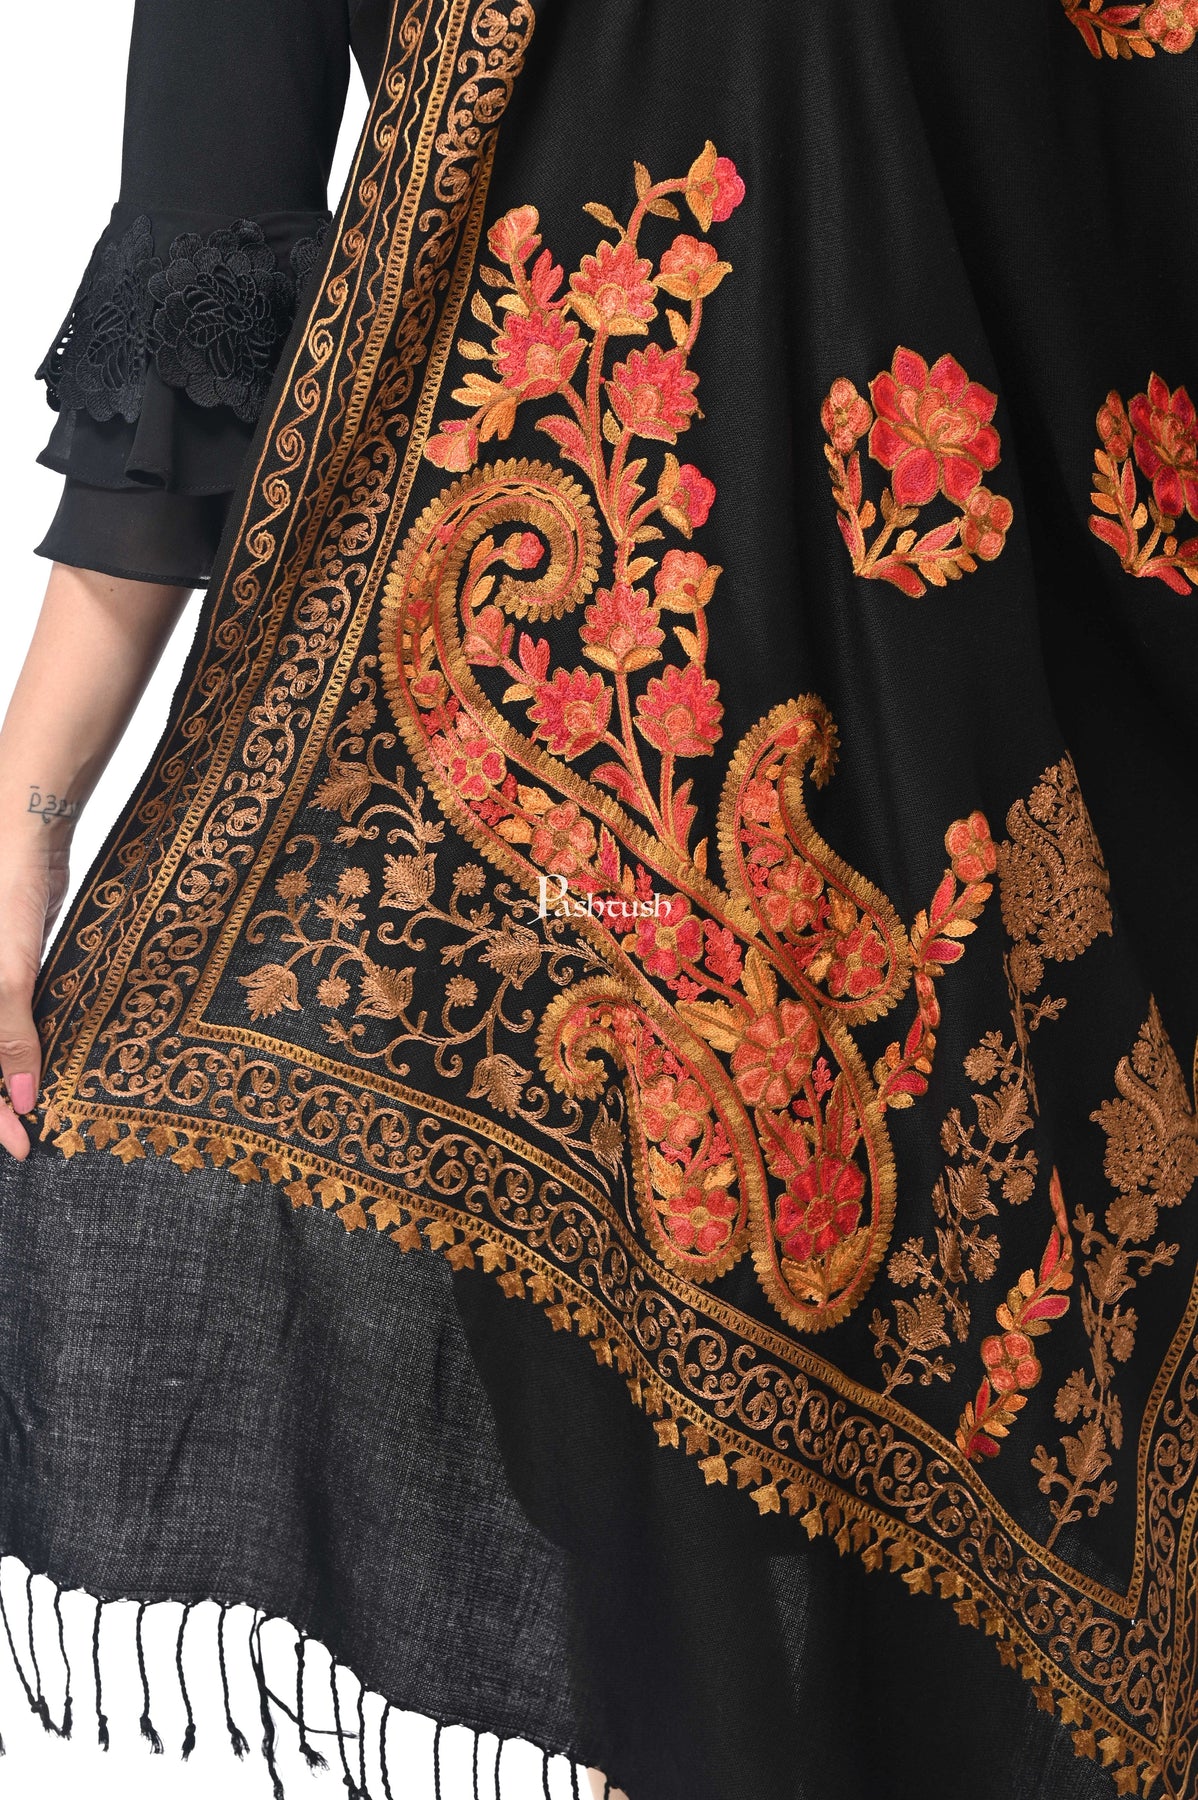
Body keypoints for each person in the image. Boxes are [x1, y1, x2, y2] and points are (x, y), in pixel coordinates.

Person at [1, 3, 1197, 1797]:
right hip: (563, 891)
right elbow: (202, 298)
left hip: (1036, 837)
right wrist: (25, 818)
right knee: (708, 1669)